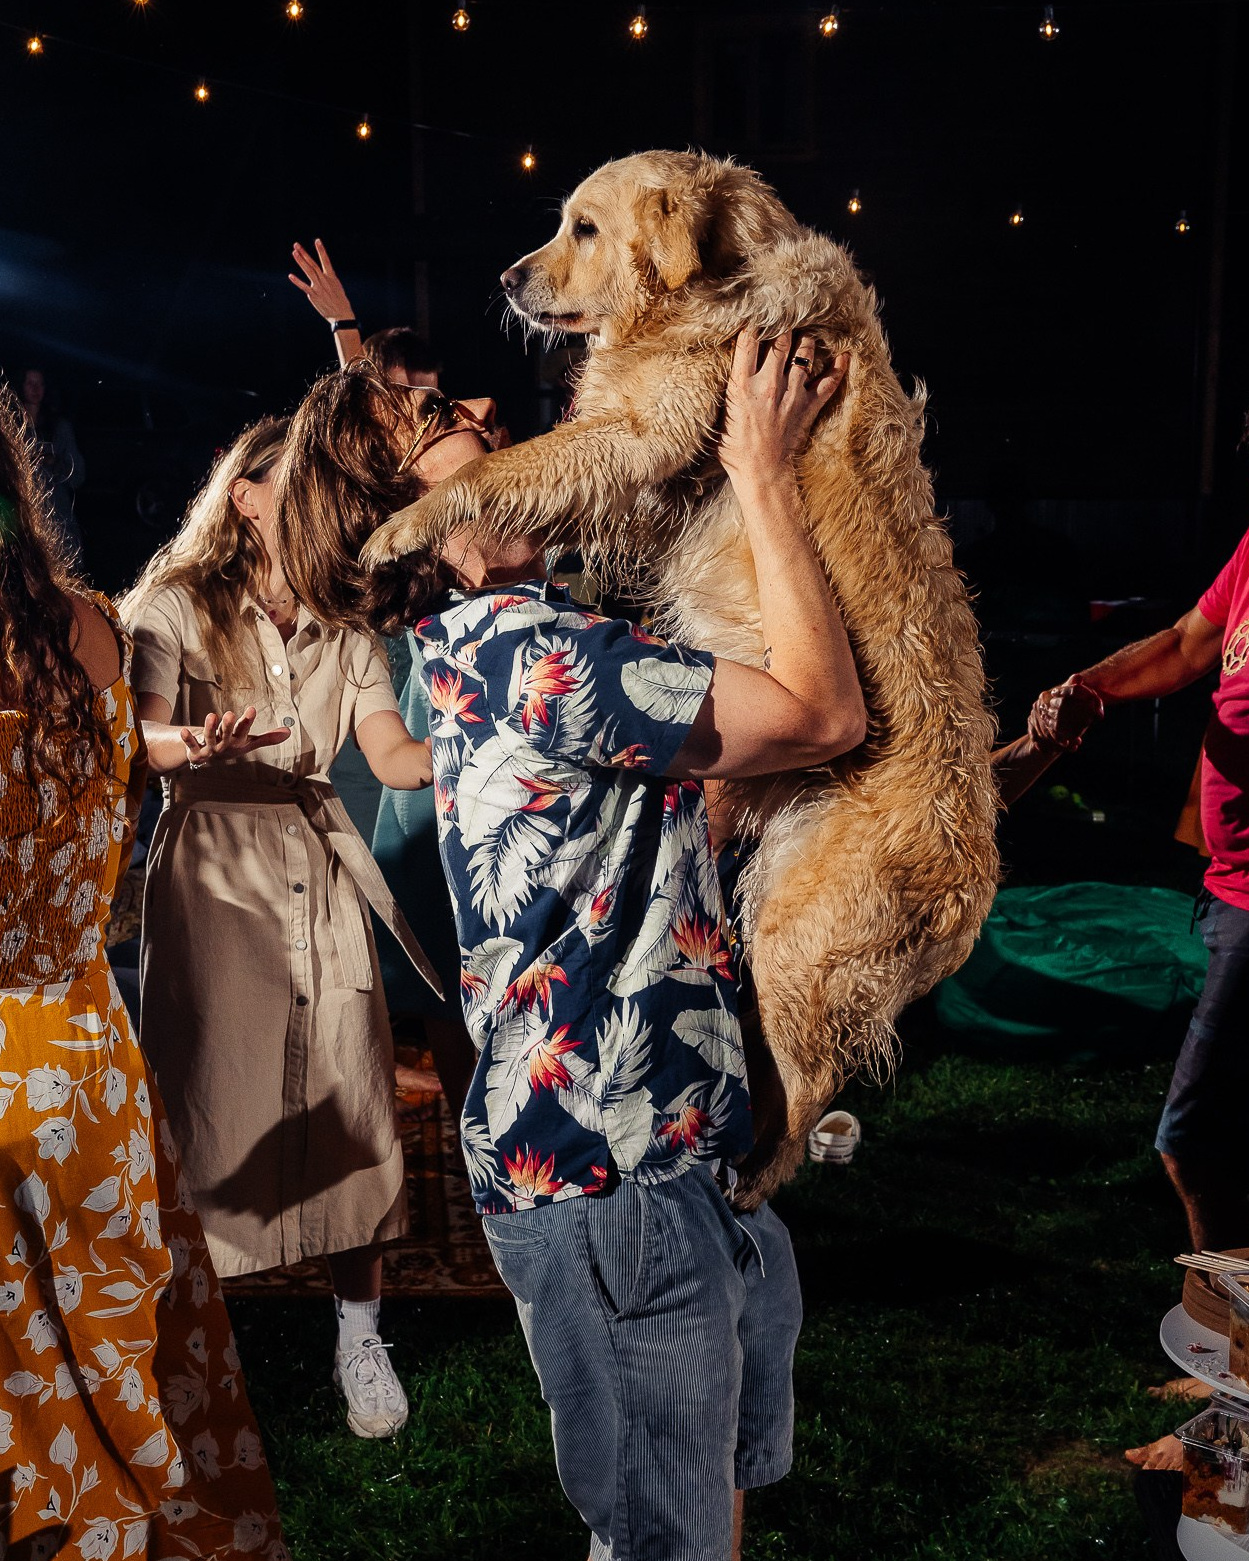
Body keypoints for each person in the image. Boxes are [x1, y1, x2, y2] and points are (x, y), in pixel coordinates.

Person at [276, 332, 866, 1559]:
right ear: (418, 513)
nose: (485, 404)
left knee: (701, 1506)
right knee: (665, 1538)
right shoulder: (534, 653)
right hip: (614, 1167)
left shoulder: (503, 642)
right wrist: (757, 468)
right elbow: (820, 711)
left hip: (665, 1142)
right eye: (442, 412)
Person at [0, 386, 287, 1557]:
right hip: (91, 1062)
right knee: (115, 1370)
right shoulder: (90, 625)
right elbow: (116, 762)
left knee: (28, 1422)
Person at [121, 416, 438, 1440]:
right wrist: (190, 737)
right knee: (206, 1097)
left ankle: (359, 1333)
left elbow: (387, 749)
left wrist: (458, 754)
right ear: (246, 494)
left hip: (313, 860)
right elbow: (141, 733)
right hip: (212, 867)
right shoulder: (174, 602)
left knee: (351, 1087)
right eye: (294, 479)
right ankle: (184, 1338)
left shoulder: (348, 625)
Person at [19, 364, 86, 558]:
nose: (35, 389)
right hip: (21, 519)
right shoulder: (9, 428)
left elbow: (78, 475)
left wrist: (54, 463)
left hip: (56, 515)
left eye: (40, 383)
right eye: (30, 383)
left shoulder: (59, 428)